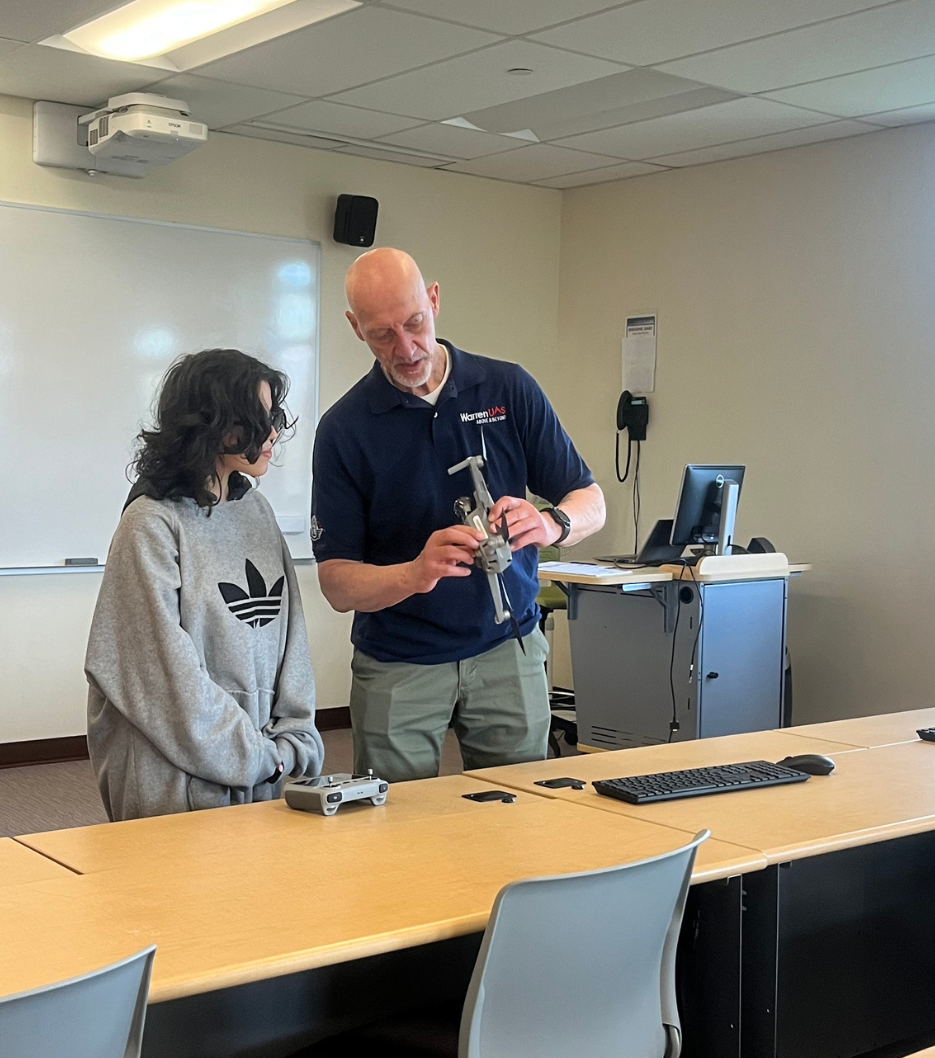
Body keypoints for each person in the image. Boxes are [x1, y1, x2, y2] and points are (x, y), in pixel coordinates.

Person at [311, 248, 605, 782]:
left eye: (415, 323)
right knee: (396, 834)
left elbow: (590, 500)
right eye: (382, 334)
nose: (405, 349)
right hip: (399, 660)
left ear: (435, 300)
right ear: (355, 328)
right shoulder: (344, 430)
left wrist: (550, 524)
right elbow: (336, 584)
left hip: (506, 648)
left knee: (518, 819)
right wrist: (413, 573)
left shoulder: (508, 389)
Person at [86, 349, 323, 821]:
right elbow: (163, 680)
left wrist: (295, 735)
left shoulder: (257, 512)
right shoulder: (150, 525)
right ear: (214, 424)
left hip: (263, 770)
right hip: (175, 781)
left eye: (274, 415)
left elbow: (290, 639)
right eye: (259, 417)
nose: (273, 432)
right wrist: (257, 757)